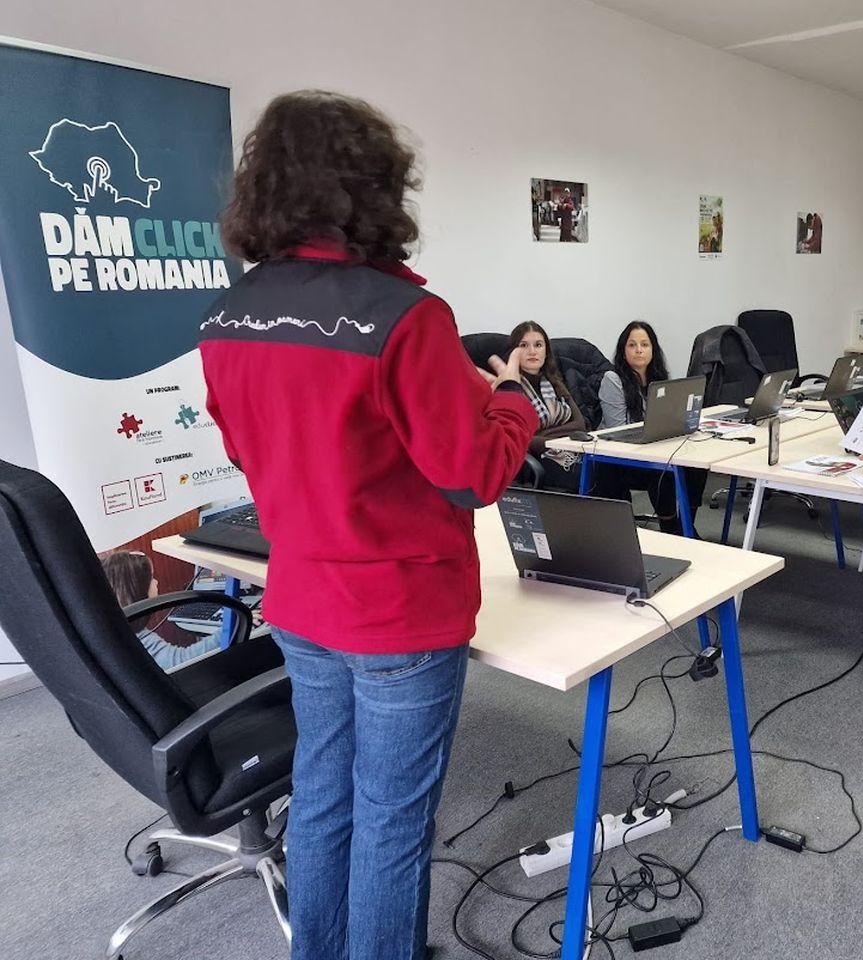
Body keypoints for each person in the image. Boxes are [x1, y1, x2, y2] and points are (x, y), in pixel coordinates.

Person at [202, 90, 538, 960]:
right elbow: (473, 475)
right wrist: (511, 399)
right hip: (398, 612)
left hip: (302, 599)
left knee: (322, 797)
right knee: (392, 820)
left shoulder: (231, 313)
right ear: (377, 186)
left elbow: (250, 451)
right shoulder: (405, 316)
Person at [596, 321, 688, 534]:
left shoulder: (659, 379)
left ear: (653, 349)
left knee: (694, 468)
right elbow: (618, 431)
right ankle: (672, 528)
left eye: (645, 345)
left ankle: (686, 523)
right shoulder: (613, 379)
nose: (639, 350)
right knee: (663, 469)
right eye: (632, 345)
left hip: (650, 450)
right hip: (616, 459)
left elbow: (667, 421)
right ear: (623, 350)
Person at [100, 550, 220, 671]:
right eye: (152, 577)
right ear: (137, 588)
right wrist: (225, 631)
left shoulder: (114, 629)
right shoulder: (137, 639)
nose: (156, 582)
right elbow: (181, 661)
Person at [507, 320, 586, 490]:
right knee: (586, 478)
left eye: (538, 345)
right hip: (533, 461)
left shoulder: (554, 382)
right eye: (524, 345)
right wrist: (559, 439)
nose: (532, 351)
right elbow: (517, 439)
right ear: (513, 352)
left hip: (563, 450)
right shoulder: (509, 386)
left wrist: (543, 435)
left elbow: (580, 424)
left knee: (608, 472)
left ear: (546, 351)